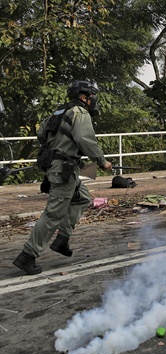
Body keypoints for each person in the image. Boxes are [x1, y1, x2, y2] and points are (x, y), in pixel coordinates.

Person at [13, 81, 112, 275]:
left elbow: (42, 134)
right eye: (91, 97)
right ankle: (27, 255)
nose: (93, 101)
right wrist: (102, 162)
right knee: (53, 214)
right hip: (63, 170)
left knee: (82, 198)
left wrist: (64, 150)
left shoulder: (58, 112)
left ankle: (62, 240)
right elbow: (86, 140)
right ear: (84, 97)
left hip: (59, 167)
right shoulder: (80, 113)